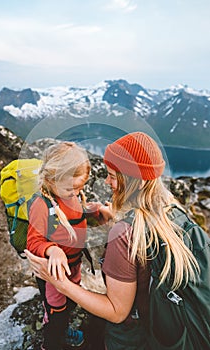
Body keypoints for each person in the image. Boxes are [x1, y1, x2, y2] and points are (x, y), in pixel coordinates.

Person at [25, 132, 201, 350]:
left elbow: (117, 313)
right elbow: (38, 236)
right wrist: (54, 248)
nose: (106, 181)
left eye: (111, 175)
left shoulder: (125, 232)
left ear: (130, 179)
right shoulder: (172, 210)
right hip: (171, 325)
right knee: (58, 309)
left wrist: (63, 284)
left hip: (132, 336)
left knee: (67, 304)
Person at [26, 141, 105, 350]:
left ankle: (61, 329)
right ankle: (51, 343)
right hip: (54, 273)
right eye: (72, 187)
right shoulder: (41, 205)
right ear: (52, 179)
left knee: (70, 300)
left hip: (74, 265)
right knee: (57, 312)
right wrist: (52, 250)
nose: (77, 192)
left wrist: (95, 213)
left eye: (81, 187)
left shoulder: (73, 195)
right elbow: (33, 241)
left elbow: (74, 216)